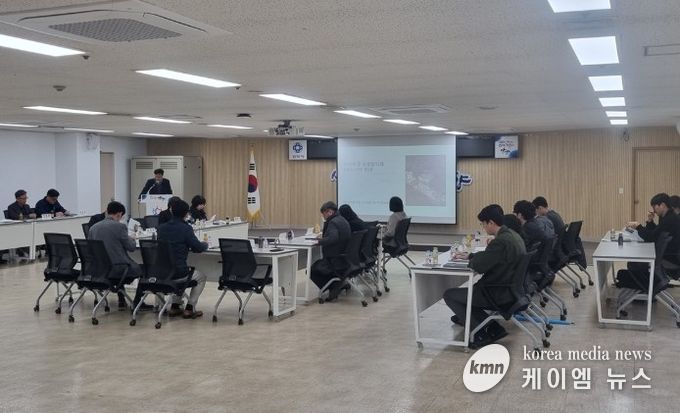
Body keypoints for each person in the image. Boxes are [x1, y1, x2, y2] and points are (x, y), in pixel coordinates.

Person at [443, 205, 526, 348]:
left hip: (496, 293)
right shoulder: (513, 235)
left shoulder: (500, 241)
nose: (483, 227)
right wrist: (471, 256)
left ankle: (481, 333)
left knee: (450, 295)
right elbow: (491, 257)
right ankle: (493, 328)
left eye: (483, 224)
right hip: (511, 291)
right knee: (467, 296)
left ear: (491, 222)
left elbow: (479, 266)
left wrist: (472, 260)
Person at [89, 201, 151, 310]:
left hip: (99, 270)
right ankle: (137, 303)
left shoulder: (93, 228)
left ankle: (122, 299)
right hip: (118, 270)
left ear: (107, 211)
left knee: (116, 262)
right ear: (119, 214)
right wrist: (132, 239)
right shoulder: (120, 227)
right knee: (144, 269)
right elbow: (131, 247)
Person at [157, 199, 208, 319]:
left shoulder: (161, 228)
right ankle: (190, 308)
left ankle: (175, 306)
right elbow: (198, 247)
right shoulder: (186, 228)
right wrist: (205, 244)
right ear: (186, 214)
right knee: (201, 277)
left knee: (179, 276)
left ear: (171, 211)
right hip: (179, 272)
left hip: (162, 272)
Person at [310, 201, 352, 301]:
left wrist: (318, 241)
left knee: (312, 270)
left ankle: (334, 288)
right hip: (345, 257)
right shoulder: (342, 219)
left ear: (329, 212)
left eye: (324, 214)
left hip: (335, 258)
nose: (323, 217)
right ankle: (339, 284)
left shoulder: (333, 222)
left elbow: (333, 238)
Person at [627, 193, 680, 265]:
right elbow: (656, 232)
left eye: (654, 207)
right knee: (633, 263)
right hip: (664, 253)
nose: (654, 211)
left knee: (632, 264)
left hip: (668, 257)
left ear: (662, 205)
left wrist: (638, 226)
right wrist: (650, 221)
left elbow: (651, 237)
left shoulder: (670, 219)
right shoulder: (667, 216)